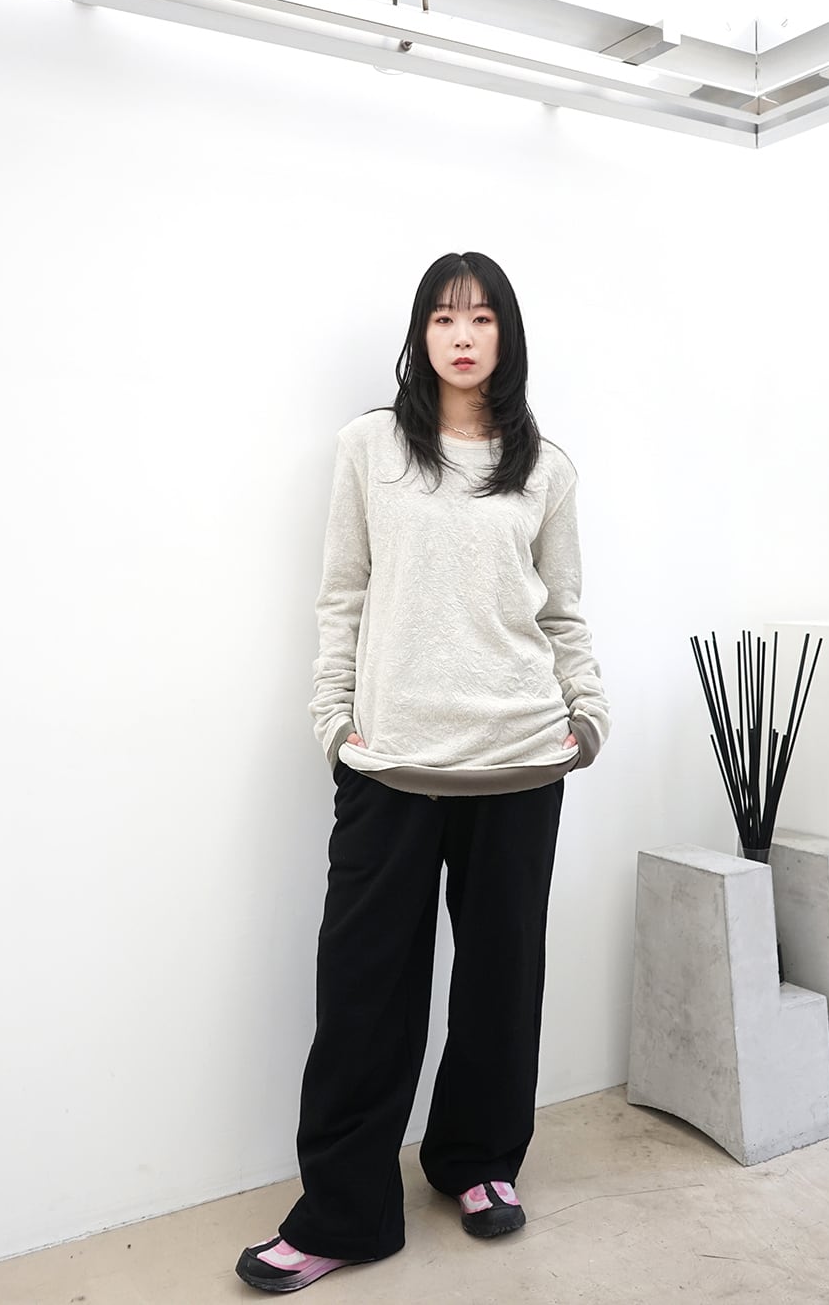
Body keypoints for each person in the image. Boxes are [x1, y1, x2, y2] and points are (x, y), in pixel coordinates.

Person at [236, 251, 610, 1294]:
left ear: (506, 336)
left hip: (519, 760)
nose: (463, 336)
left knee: (501, 984)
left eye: (482, 319)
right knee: (364, 995)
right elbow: (342, 594)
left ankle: (477, 1162)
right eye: (444, 318)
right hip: (392, 763)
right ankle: (345, 1212)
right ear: (420, 335)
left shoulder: (546, 467)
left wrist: (586, 716)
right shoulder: (370, 447)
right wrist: (334, 723)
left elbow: (563, 609)